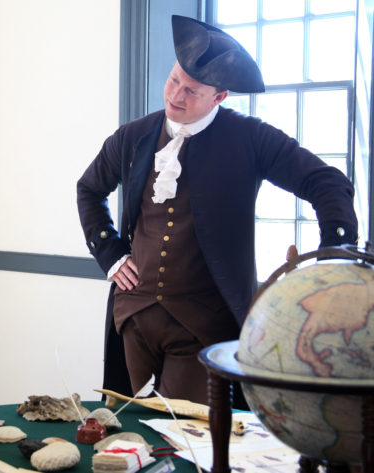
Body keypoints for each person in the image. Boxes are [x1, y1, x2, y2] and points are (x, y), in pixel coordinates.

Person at [77, 15, 358, 405]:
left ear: (219, 97)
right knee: (134, 437)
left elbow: (327, 183)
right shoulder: (133, 136)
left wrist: (332, 260)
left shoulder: (250, 138)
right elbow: (89, 189)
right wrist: (110, 252)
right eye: (174, 80)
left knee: (187, 440)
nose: (176, 96)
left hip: (202, 326)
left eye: (191, 90)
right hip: (134, 317)